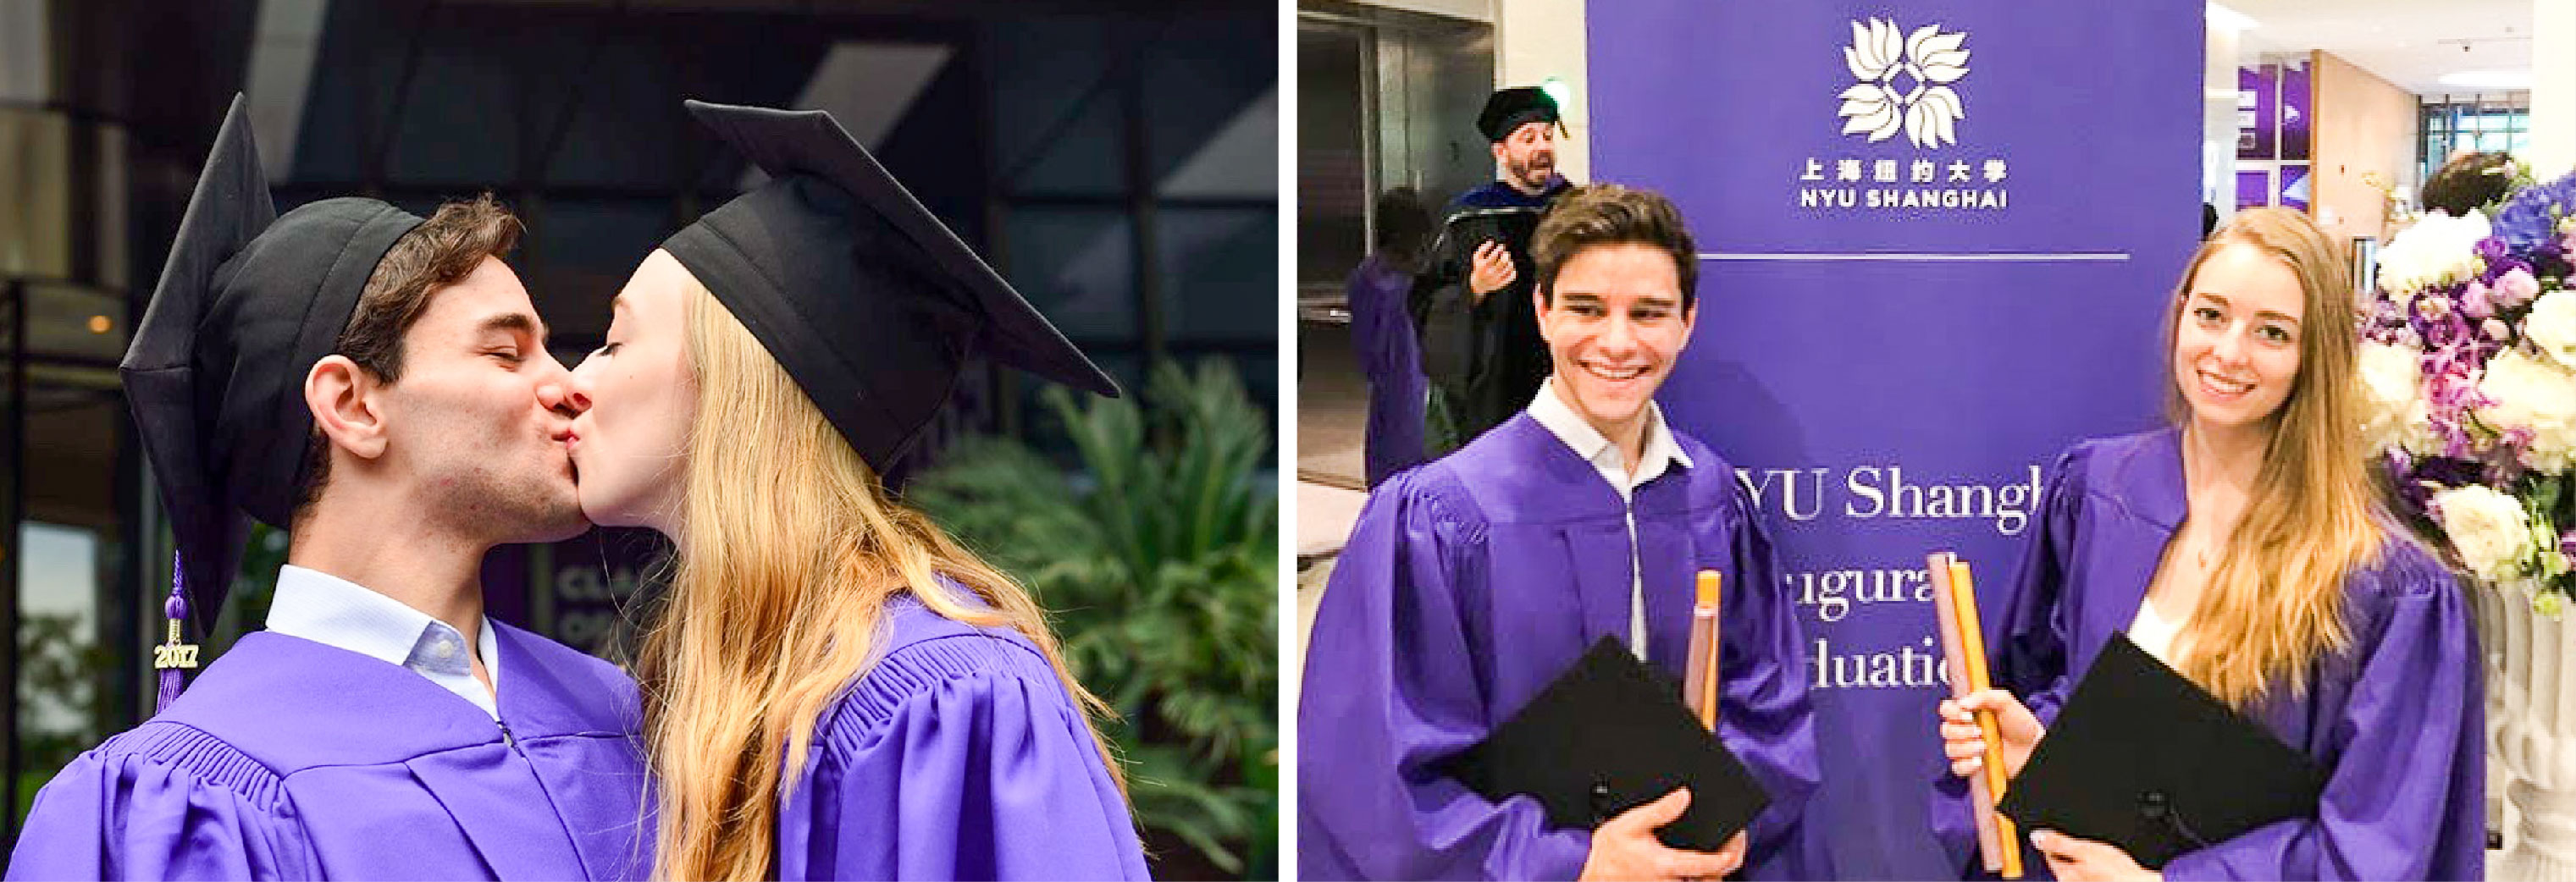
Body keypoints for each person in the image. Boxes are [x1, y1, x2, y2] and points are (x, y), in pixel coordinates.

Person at [8, 96, 646, 880]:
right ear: (352, 405)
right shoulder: (179, 803)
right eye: (508, 354)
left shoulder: (624, 715)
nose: (572, 385)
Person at [564, 101, 1147, 881]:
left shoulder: (948, 692)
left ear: (739, 384)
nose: (572, 383)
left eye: (613, 343)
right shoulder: (718, 679)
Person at [1935, 207, 2483, 881]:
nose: (2228, 353)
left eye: (2272, 333)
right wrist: (2036, 746)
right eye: (2212, 315)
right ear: (2181, 313)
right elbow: (2065, 688)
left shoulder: (2384, 584)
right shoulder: (2098, 495)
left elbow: (2379, 840)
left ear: (2317, 356)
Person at [1302, 184, 1818, 880]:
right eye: (1585, 309)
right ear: (1542, 311)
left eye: (1648, 313)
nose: (1617, 341)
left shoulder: (1714, 498)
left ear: (1687, 322)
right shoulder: (1441, 518)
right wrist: (1573, 863)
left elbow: (1769, 705)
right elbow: (1378, 775)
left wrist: (1724, 824)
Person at [1412, 85, 1577, 450]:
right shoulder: (1469, 218)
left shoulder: (1577, 211)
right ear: (1501, 151)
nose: (1542, 147)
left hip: (1569, 375)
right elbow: (1424, 301)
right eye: (1527, 138)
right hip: (1497, 389)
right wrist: (1473, 289)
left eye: (1547, 136)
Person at [1351, 186, 1435, 487]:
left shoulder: (1368, 274)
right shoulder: (1418, 279)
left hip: (1388, 392)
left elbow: (1365, 345)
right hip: (1419, 388)